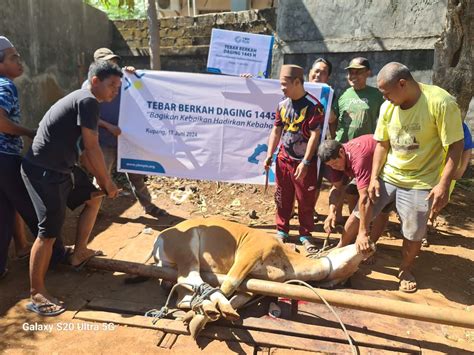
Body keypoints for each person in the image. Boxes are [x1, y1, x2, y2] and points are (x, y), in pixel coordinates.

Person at [21, 60, 121, 315]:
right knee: (48, 232)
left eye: (118, 87)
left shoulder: (84, 101)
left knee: (93, 197)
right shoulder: (87, 101)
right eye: (112, 85)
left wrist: (99, 180)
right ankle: (37, 293)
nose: (115, 91)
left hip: (62, 168)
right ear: (96, 81)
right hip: (45, 172)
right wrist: (107, 181)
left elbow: (84, 151)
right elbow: (91, 147)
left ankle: (79, 253)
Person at [369, 62, 464, 293]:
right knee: (360, 213)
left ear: (402, 84)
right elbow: (382, 144)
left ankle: (405, 268)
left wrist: (443, 183)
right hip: (390, 174)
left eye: (386, 93)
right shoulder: (388, 108)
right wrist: (373, 177)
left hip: (421, 180)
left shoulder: (440, 102)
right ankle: (347, 250)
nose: (384, 98)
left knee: (413, 231)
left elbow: (455, 146)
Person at [0, 36, 65, 280]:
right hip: (5, 157)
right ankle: (57, 255)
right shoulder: (5, 86)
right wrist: (28, 132)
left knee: (4, 213)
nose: (20, 62)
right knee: (33, 207)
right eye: (13, 57)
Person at [83, 48, 167, 218]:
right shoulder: (89, 87)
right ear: (97, 64)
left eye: (114, 60)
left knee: (136, 174)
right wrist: (109, 126)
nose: (113, 64)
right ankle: (94, 210)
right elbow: (87, 117)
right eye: (108, 61)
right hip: (103, 140)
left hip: (126, 138)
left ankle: (148, 206)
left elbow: (140, 90)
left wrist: (135, 75)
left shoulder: (122, 80)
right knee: (102, 175)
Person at [264, 64, 324, 252]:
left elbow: (315, 135)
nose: (282, 88)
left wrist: (306, 162)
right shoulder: (282, 105)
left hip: (304, 162)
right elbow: (276, 130)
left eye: (285, 84)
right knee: (282, 196)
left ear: (297, 82)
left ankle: (305, 234)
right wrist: (269, 155)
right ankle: (282, 230)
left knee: (305, 199)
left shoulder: (314, 107)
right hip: (284, 159)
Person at [331, 57, 385, 222]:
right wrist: (334, 140)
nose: (353, 75)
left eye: (358, 72)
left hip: (362, 154)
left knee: (358, 188)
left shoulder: (376, 95)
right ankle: (337, 219)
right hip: (341, 150)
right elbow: (333, 119)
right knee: (338, 185)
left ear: (368, 73)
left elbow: (384, 119)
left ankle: (358, 220)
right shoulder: (343, 95)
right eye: (350, 72)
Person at [318, 135, 389, 257]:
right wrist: (332, 212)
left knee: (379, 207)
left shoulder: (359, 159)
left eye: (335, 164)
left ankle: (369, 247)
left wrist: (363, 232)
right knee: (353, 195)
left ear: (341, 152)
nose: (334, 167)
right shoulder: (334, 159)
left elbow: (365, 198)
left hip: (385, 171)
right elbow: (336, 188)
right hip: (366, 169)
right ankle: (342, 246)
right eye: (331, 165)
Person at [308, 57, 337, 138]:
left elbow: (331, 119)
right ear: (310, 72)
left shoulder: (329, 95)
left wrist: (325, 96)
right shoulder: (298, 89)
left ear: (328, 78)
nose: (318, 75)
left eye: (323, 73)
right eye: (316, 71)